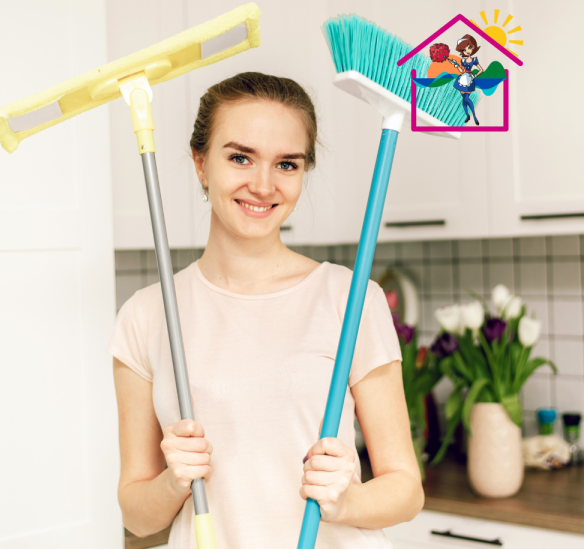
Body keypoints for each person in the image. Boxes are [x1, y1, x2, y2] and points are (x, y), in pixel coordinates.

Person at [107, 72, 424, 548]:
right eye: (240, 157)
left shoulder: (350, 298)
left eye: (287, 165)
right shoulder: (147, 314)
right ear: (200, 163)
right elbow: (137, 515)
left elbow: (406, 489)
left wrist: (346, 501)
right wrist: (174, 480)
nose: (262, 185)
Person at [450, 34, 484, 125]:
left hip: (470, 79)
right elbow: (462, 70)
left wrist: (474, 75)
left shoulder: (474, 60)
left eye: (469, 47)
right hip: (463, 78)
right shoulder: (463, 60)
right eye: (464, 50)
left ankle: (474, 116)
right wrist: (457, 66)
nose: (467, 51)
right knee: (463, 99)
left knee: (466, 98)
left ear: (473, 47)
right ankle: (467, 115)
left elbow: (481, 70)